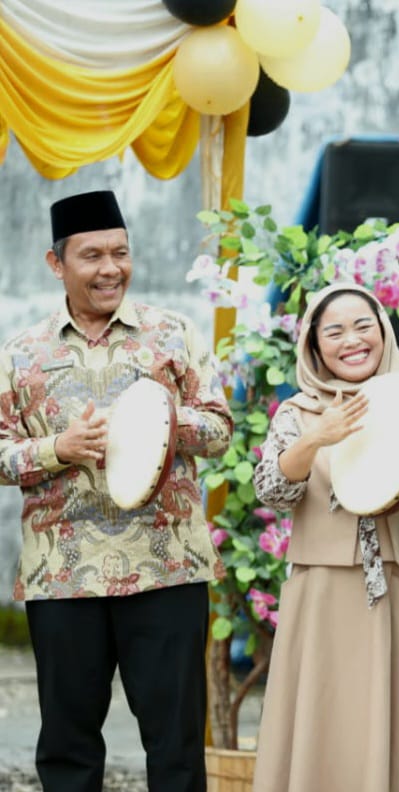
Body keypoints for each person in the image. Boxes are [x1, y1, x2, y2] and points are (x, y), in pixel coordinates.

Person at [0, 190, 232, 791]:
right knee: (68, 746)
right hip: (64, 575)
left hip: (166, 568)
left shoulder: (172, 334)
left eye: (121, 253)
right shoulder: (22, 353)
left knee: (177, 743)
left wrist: (163, 420)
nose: (111, 269)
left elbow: (219, 429)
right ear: (57, 264)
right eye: (93, 255)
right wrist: (59, 449)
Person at [251, 282, 399, 792]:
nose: (351, 340)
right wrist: (316, 438)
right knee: (325, 730)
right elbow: (273, 490)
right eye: (334, 331)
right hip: (323, 595)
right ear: (314, 346)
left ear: (384, 331)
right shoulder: (298, 413)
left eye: (362, 326)